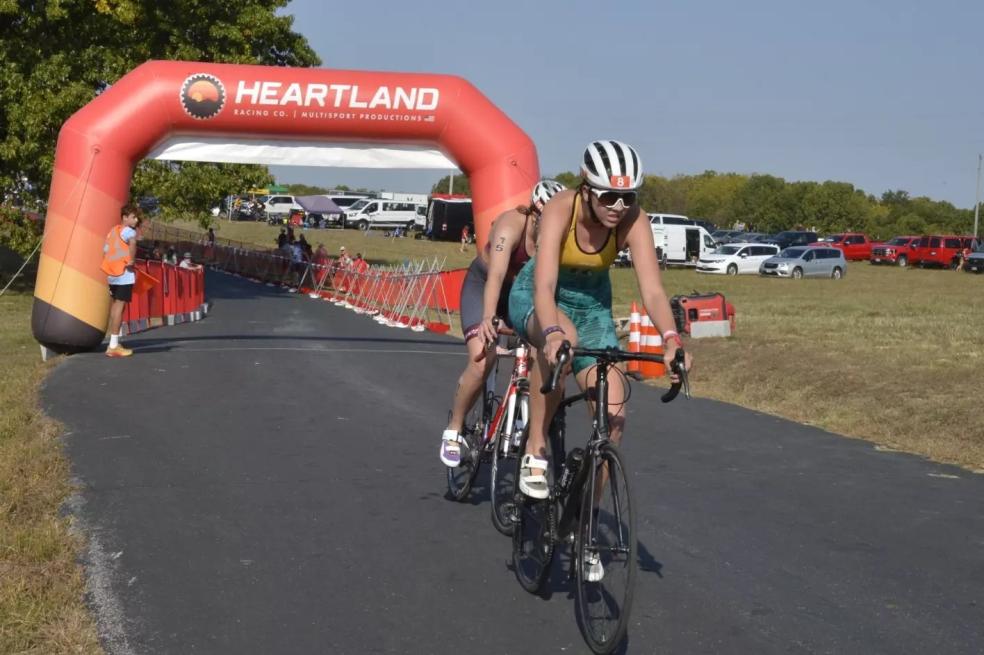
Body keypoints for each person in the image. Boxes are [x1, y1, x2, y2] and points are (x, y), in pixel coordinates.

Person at [508, 140, 692, 502]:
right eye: (609, 197)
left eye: (627, 197)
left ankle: (583, 523)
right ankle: (536, 448)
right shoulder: (562, 208)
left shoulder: (633, 218)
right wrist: (551, 332)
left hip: (592, 305)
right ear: (586, 188)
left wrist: (671, 339)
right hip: (540, 294)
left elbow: (652, 291)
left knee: (615, 416)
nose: (619, 206)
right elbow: (544, 285)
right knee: (563, 345)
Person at [439, 179, 567, 467]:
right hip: (484, 285)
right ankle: (455, 427)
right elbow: (496, 276)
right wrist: (488, 318)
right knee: (483, 358)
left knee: (542, 356)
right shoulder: (511, 225)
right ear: (535, 211)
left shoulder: (557, 238)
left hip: (520, 296)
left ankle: (532, 432)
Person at [99, 204, 143, 357]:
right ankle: (113, 345)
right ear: (125, 217)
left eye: (136, 218)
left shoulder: (113, 231)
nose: (136, 220)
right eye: (133, 217)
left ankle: (113, 342)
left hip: (112, 273)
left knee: (115, 307)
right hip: (124, 274)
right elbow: (133, 243)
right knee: (120, 307)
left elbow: (105, 250)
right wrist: (131, 260)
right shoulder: (129, 231)